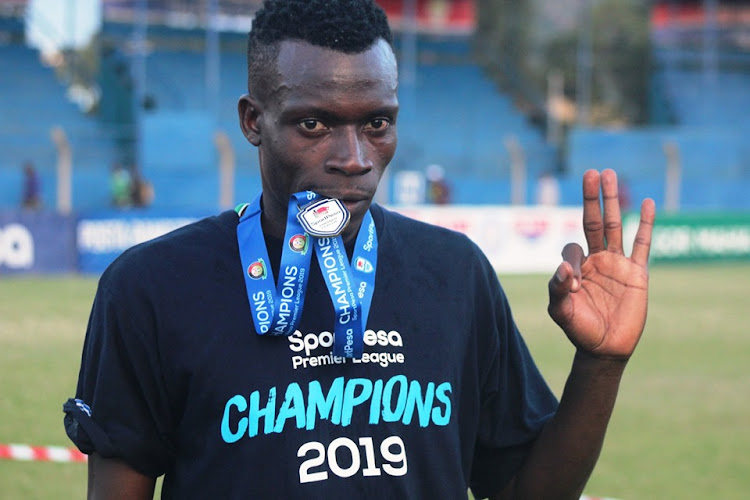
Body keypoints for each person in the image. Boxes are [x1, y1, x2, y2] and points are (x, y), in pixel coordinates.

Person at [63, 1, 656, 499]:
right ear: (253, 121)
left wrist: (600, 365)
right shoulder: (152, 288)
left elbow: (523, 491)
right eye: (314, 125)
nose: (354, 157)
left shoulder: (454, 275)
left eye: (377, 122)